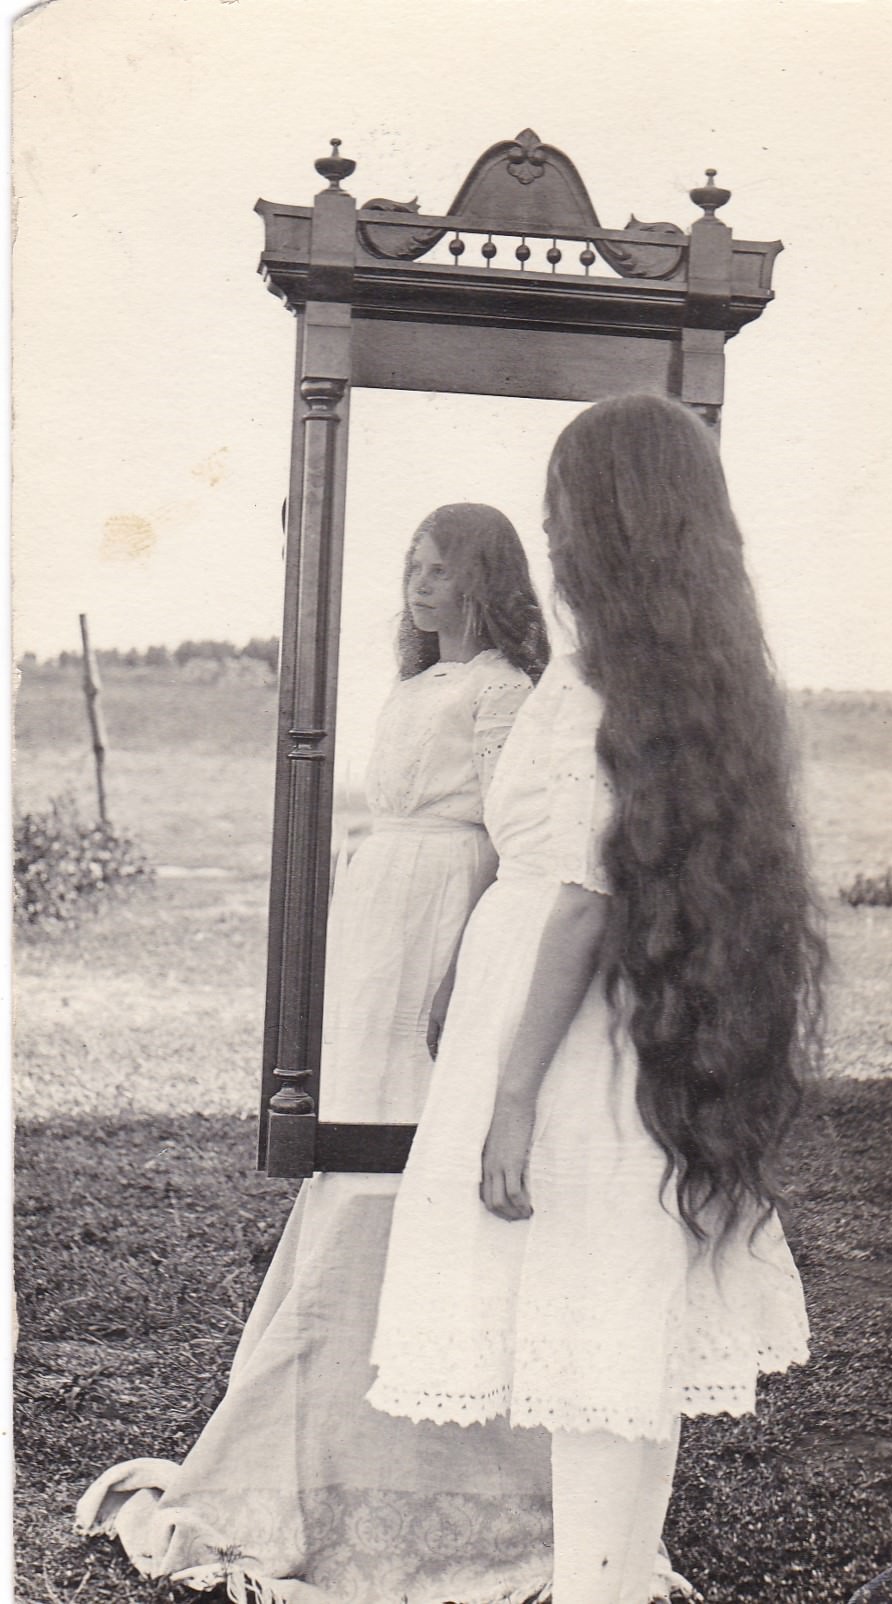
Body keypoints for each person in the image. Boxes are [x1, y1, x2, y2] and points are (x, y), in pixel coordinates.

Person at [367, 395, 827, 1604]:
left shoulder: (590, 686)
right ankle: (607, 1580)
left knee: (593, 1331)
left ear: (611, 522)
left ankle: (596, 1584)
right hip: (632, 1025)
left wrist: (511, 1096)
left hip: (568, 1039)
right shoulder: (691, 674)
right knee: (622, 1336)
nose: (549, 533)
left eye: (561, 509)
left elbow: (577, 899)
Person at [76, 504, 553, 1604]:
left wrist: (462, 963)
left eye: (442, 570)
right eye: (412, 566)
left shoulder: (501, 690)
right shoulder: (416, 685)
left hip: (448, 906)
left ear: (485, 581)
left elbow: (508, 835)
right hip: (382, 908)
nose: (420, 585)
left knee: (410, 1130)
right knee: (356, 1127)